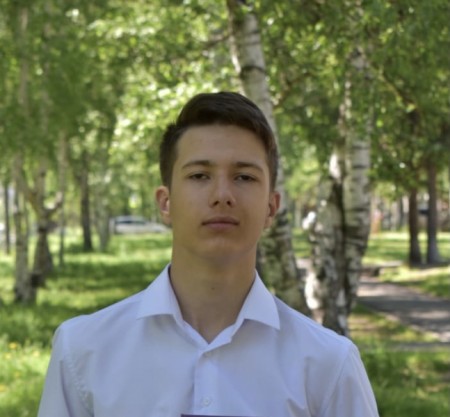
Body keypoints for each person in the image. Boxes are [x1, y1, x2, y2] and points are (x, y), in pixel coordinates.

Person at [38, 91, 379, 417]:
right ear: (165, 203)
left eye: (244, 177)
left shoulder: (329, 366)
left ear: (271, 208)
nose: (222, 195)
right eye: (199, 175)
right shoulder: (83, 351)